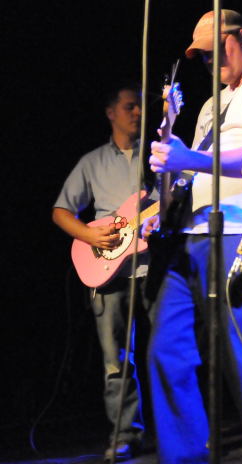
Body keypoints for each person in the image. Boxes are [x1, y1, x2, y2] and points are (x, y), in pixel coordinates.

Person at [146, 9, 242, 464]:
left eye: (216, 50)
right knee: (166, 349)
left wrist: (188, 158)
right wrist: (162, 207)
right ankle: (183, 457)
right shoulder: (211, 106)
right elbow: (191, 171)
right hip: (190, 234)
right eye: (203, 56)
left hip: (241, 229)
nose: (211, 61)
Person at [52, 83, 152, 462]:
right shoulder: (92, 162)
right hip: (108, 271)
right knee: (116, 362)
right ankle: (125, 435)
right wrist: (89, 234)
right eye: (129, 107)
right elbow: (61, 211)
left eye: (140, 106)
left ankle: (183, 429)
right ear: (111, 113)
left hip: (154, 267)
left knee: (170, 352)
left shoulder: (156, 156)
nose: (138, 112)